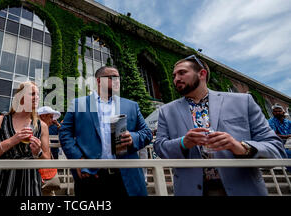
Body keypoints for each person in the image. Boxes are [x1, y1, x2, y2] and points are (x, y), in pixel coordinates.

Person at [153, 54, 286, 196]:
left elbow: (275, 148)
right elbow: (159, 148)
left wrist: (241, 147)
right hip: (190, 190)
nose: (176, 79)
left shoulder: (243, 101)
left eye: (182, 73)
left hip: (243, 188)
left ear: (202, 74)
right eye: (174, 75)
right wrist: (183, 143)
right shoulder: (165, 111)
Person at [59, 66, 153, 196]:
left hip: (126, 176)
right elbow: (65, 133)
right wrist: (77, 159)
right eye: (112, 77)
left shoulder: (131, 105)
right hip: (91, 176)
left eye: (118, 78)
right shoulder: (78, 104)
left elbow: (147, 133)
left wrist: (133, 137)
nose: (117, 80)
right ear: (98, 81)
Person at [0, 81, 51, 196]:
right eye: (32, 94)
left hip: (29, 180)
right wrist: (13, 140)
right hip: (0, 178)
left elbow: (47, 160)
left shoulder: (41, 126)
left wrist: (38, 152)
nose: (36, 98)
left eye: (38, 95)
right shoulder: (0, 121)